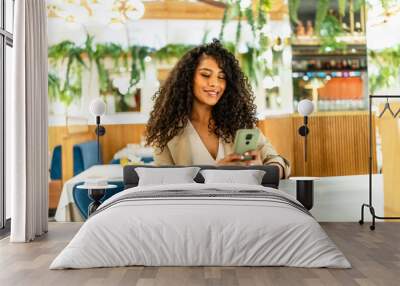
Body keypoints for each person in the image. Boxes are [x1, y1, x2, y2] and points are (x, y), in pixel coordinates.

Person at [145, 40, 290, 179]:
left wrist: (263, 170)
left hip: (240, 203)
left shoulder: (238, 123)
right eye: (205, 75)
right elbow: (164, 185)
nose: (215, 83)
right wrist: (216, 173)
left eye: (222, 77)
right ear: (188, 78)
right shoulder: (167, 132)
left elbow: (278, 162)